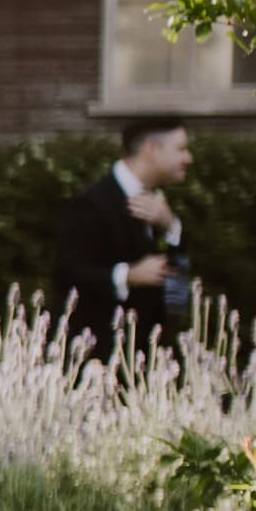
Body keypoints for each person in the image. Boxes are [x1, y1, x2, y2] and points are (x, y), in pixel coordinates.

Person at [56, 116, 194, 353]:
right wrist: (127, 275)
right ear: (150, 148)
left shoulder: (158, 203)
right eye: (181, 149)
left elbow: (178, 288)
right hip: (101, 354)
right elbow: (68, 273)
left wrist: (171, 226)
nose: (188, 158)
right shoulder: (93, 202)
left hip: (147, 354)